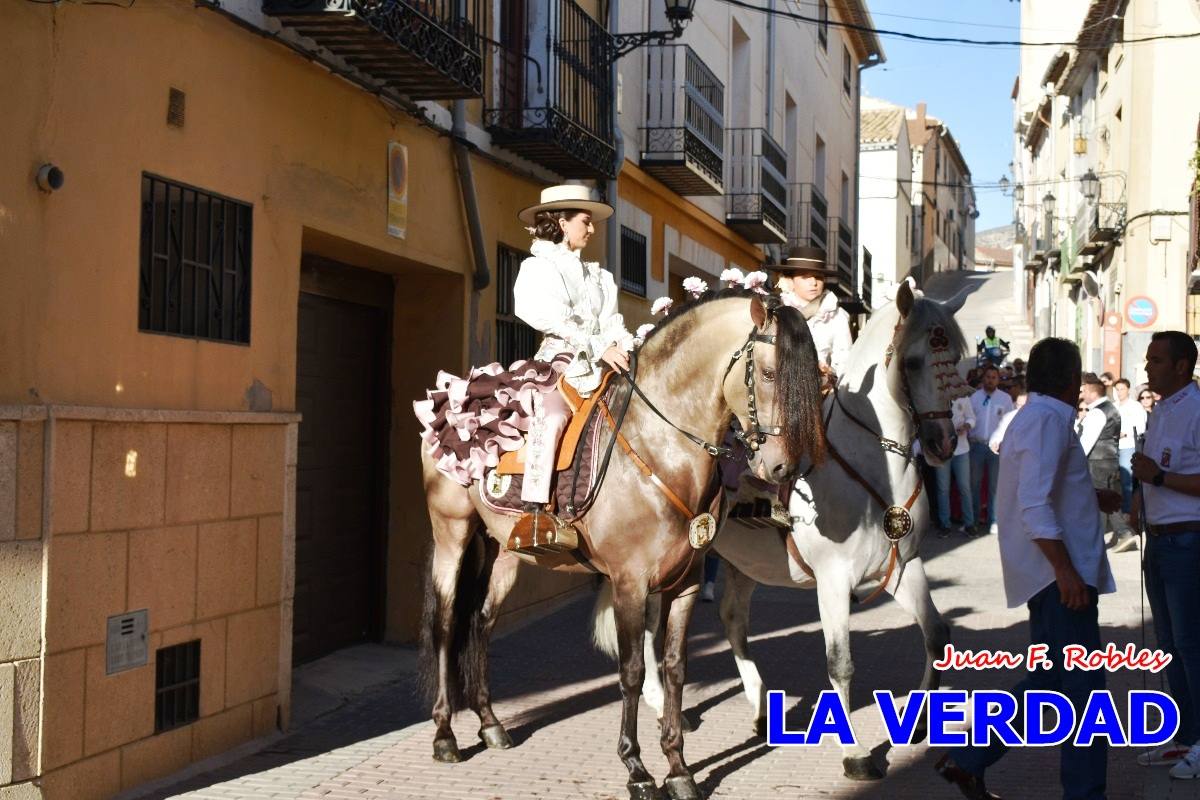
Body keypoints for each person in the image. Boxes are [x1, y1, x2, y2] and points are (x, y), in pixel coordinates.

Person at [936, 337, 1117, 800]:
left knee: (1050, 682)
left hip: (1051, 575)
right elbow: (1034, 504)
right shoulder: (1046, 421)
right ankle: (1083, 793)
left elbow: (1039, 492)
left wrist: (1091, 498)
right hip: (1056, 577)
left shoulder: (1037, 418)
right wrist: (1066, 573)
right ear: (1072, 380)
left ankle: (969, 758)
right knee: (1083, 696)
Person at [509, 185, 634, 543]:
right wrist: (597, 346)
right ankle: (533, 515)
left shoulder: (599, 277)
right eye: (585, 221)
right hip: (559, 363)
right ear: (562, 223)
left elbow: (611, 322)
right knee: (550, 417)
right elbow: (546, 316)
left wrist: (627, 345)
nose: (592, 229)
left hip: (602, 361)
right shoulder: (538, 266)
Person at [1130, 332, 1200, 778]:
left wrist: (1157, 480)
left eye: (1156, 360)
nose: (1147, 368)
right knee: (1171, 645)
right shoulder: (1161, 409)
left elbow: (1168, 475)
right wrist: (1140, 496)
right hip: (1159, 539)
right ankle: (1186, 737)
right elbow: (1153, 471)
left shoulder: (1196, 409)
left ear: (1181, 366)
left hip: (1188, 541)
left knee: (1192, 644)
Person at [770, 245, 851, 379]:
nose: (813, 282)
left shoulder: (837, 316)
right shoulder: (776, 311)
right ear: (790, 281)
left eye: (818, 277)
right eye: (805, 277)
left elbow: (845, 360)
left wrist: (830, 373)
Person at [1078, 374, 1137, 553]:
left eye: (1083, 390)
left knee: (1098, 502)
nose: (1081, 394)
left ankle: (1098, 541)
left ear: (1090, 390)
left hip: (1097, 462)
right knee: (1107, 501)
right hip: (1109, 460)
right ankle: (1123, 533)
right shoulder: (1110, 408)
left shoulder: (1097, 412)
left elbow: (1086, 443)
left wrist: (1075, 461)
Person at [969, 365, 1014, 534]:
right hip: (977, 445)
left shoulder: (1005, 399)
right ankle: (973, 519)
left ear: (998, 379)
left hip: (996, 448)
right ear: (983, 379)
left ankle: (993, 520)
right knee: (974, 484)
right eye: (988, 377)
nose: (990, 380)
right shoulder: (974, 397)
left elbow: (1009, 423)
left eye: (994, 377)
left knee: (995, 486)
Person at [934, 386, 976, 537]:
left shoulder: (963, 397)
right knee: (942, 489)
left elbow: (972, 417)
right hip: (942, 450)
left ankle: (969, 524)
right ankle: (945, 525)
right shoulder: (937, 396)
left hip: (961, 449)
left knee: (964, 488)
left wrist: (967, 425)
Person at [1113, 378, 1148, 515]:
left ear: (1128, 389)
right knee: (1116, 480)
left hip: (1128, 445)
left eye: (1122, 389)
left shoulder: (1135, 406)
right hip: (1113, 446)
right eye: (1118, 389)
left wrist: (1125, 433)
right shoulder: (1113, 405)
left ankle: (1128, 510)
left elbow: (1141, 427)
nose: (1120, 392)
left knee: (1127, 480)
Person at [988, 388, 1028, 454]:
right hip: (1012, 456)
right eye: (1018, 405)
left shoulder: (1038, 418)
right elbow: (999, 433)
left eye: (1023, 405)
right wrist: (995, 443)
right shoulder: (1009, 416)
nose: (1020, 408)